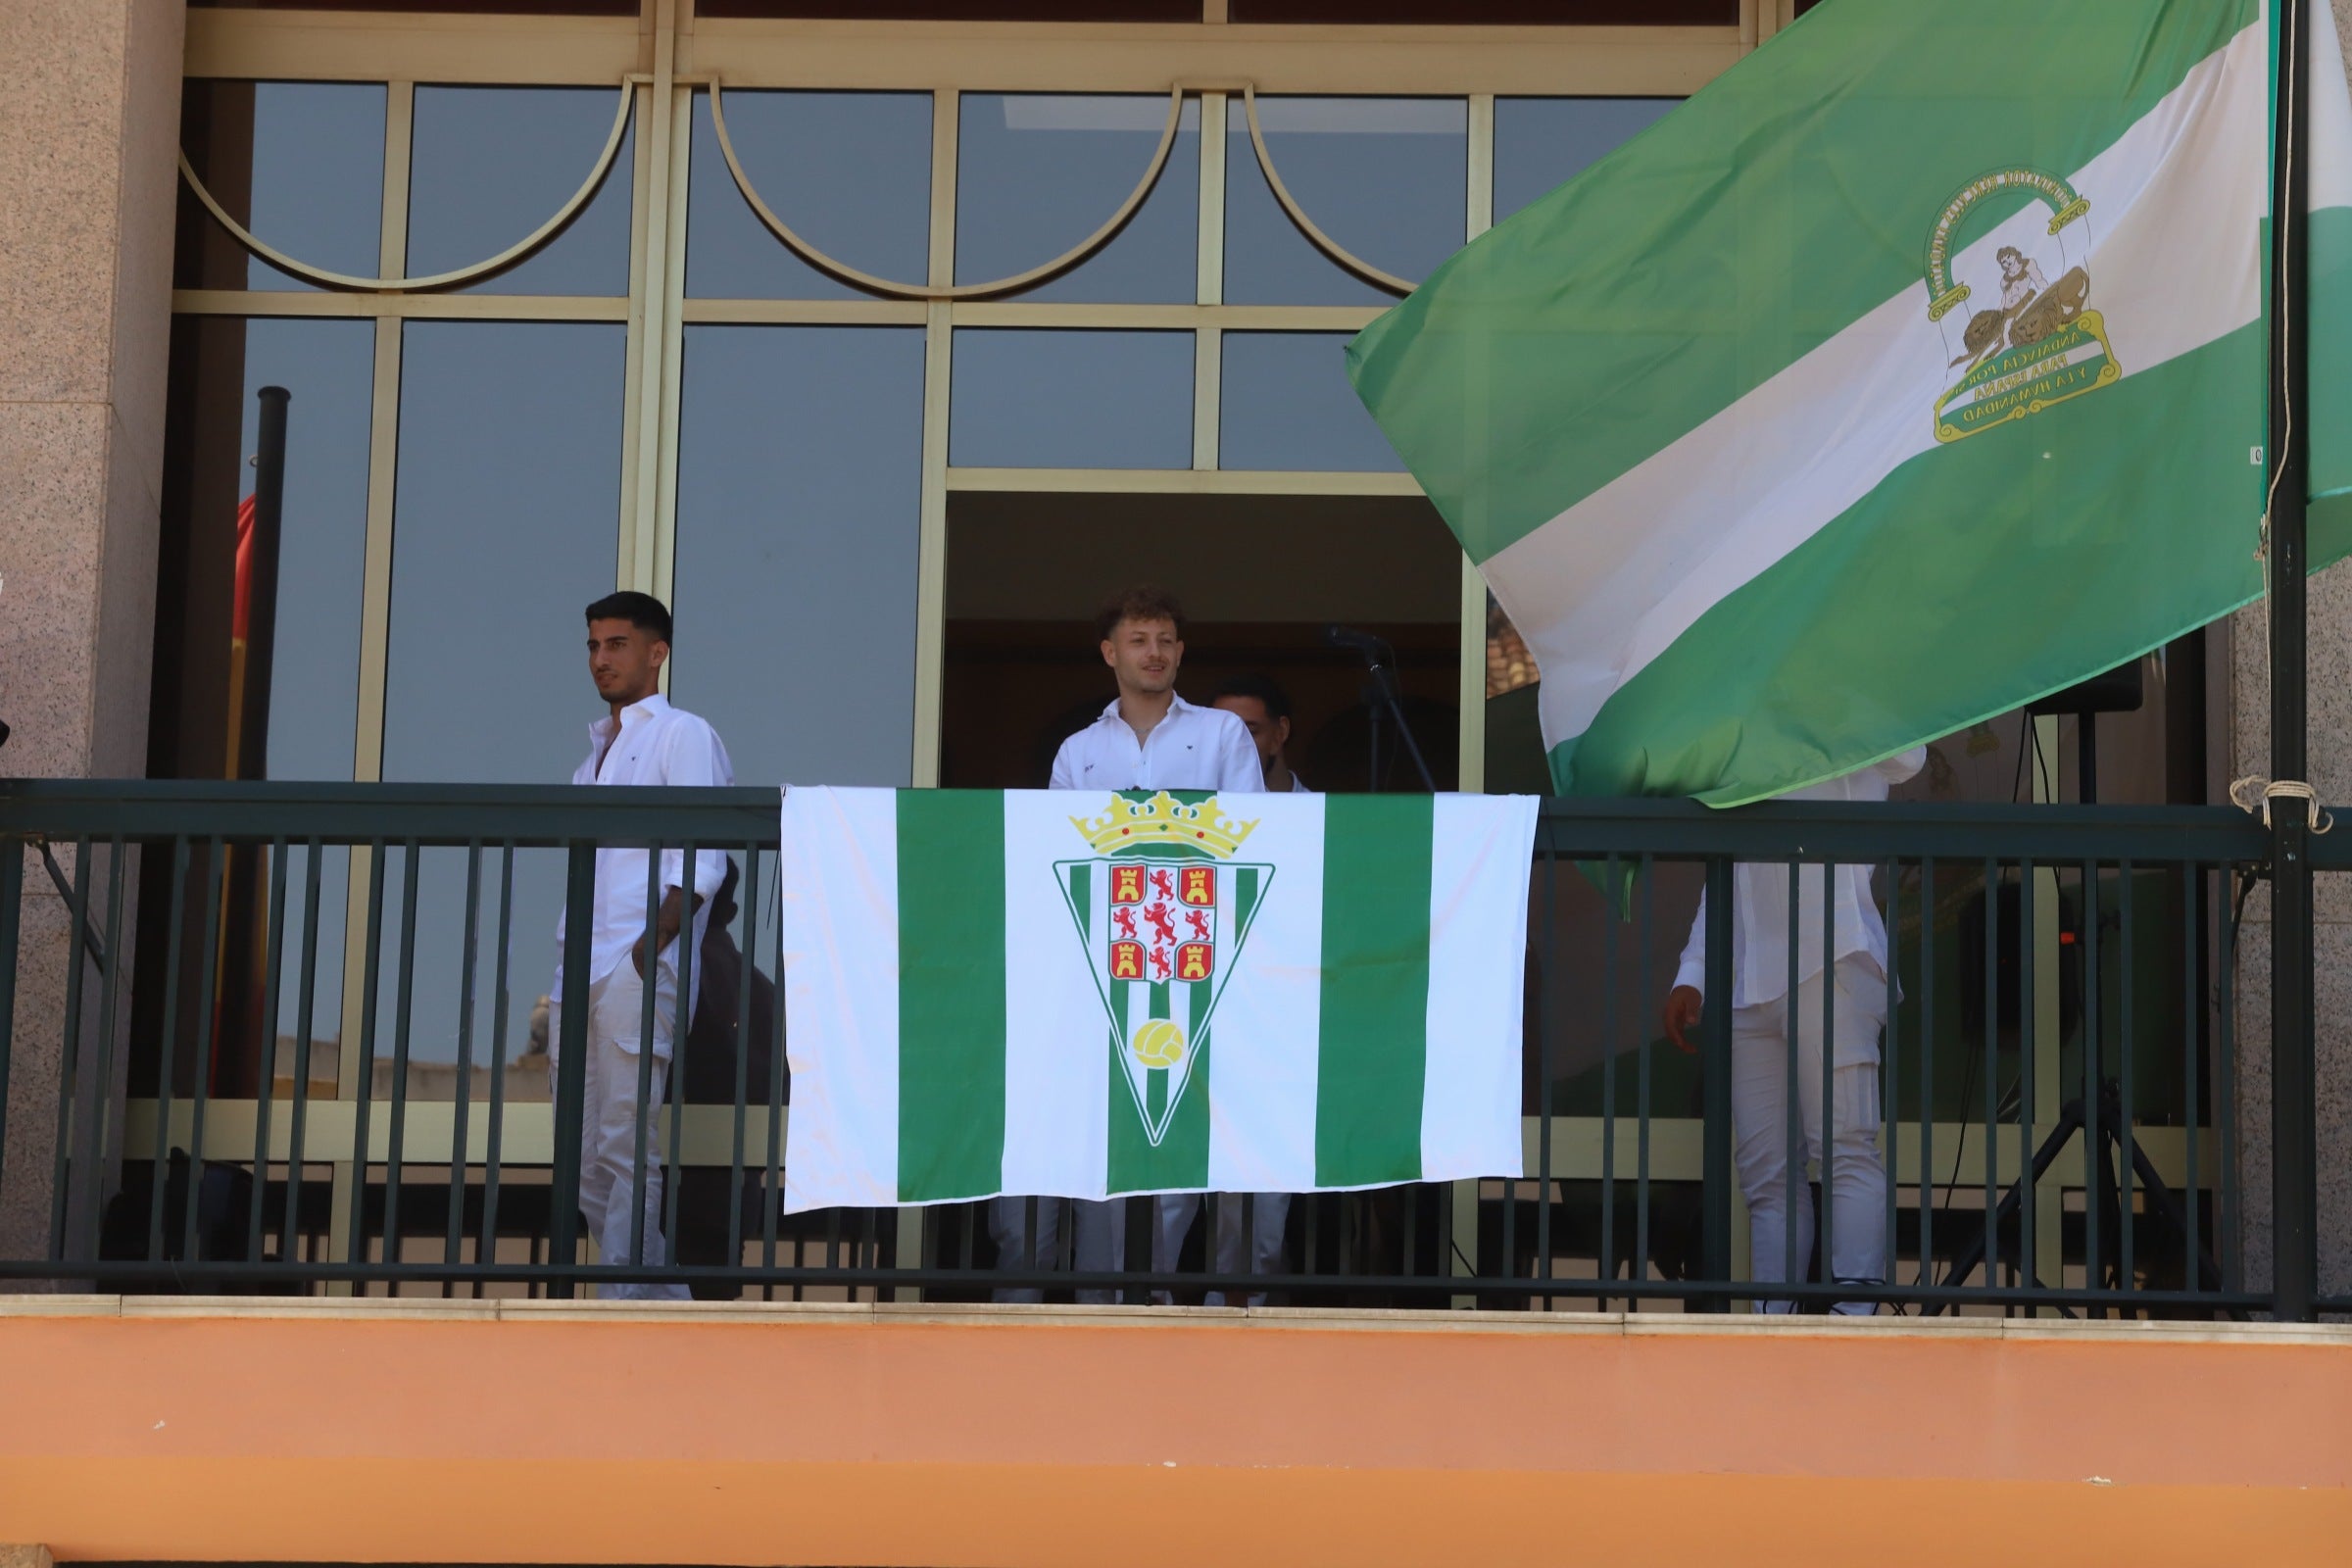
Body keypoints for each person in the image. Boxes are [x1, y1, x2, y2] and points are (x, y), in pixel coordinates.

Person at [993, 586, 1262, 1303]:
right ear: (1111, 653)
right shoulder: (1079, 751)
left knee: (1174, 1148)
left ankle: (1151, 1298)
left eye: (1167, 639)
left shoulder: (1222, 735)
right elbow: (1054, 861)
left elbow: (1251, 843)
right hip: (1099, 974)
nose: (1156, 652)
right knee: (1101, 1138)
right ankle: (1098, 1306)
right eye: (1140, 639)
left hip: (1196, 968)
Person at [1661, 747, 1926, 1314]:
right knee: (1767, 1178)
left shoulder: (1852, 699)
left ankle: (1853, 1318)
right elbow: (1727, 866)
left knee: (1845, 1149)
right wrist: (1695, 971)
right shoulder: (1750, 730)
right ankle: (1770, 1323)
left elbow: (1911, 755)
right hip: (1749, 976)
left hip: (1831, 959)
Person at [549, 591, 734, 1301]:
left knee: (626, 1140)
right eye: (594, 646)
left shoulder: (682, 733)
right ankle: (654, 1291)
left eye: (617, 644)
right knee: (586, 1153)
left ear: (656, 652)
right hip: (581, 966)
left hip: (638, 962)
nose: (601, 659)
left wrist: (649, 947)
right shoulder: (591, 755)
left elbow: (703, 855)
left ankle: (624, 1297)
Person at [1213, 672, 1311, 795]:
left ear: (1280, 733)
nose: (1232, 747)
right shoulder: (1196, 809)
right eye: (1221, 736)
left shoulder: (1320, 812)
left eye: (1249, 733)